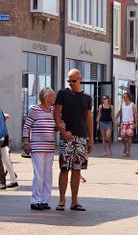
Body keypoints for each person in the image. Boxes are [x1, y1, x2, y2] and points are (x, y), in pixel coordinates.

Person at [55, 69, 93, 211]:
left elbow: (89, 119)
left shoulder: (87, 97)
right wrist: (63, 132)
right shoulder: (62, 94)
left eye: (73, 80)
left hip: (82, 138)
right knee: (64, 168)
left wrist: (90, 139)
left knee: (77, 170)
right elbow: (57, 114)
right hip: (67, 138)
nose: (71, 83)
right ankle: (61, 200)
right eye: (69, 80)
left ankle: (74, 201)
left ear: (80, 79)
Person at [23, 87, 57, 210]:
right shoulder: (35, 109)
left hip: (50, 147)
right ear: (46, 97)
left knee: (48, 175)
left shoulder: (53, 110)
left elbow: (56, 126)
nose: (54, 97)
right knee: (39, 174)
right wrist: (26, 142)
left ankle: (44, 201)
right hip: (37, 146)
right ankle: (35, 201)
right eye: (52, 95)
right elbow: (27, 126)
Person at [116, 92, 136, 156]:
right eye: (123, 97)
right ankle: (125, 146)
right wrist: (115, 118)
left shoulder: (132, 105)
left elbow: (135, 114)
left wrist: (136, 123)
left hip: (130, 122)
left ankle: (129, 151)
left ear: (128, 97)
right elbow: (120, 112)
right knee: (122, 137)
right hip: (124, 122)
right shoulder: (122, 104)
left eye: (124, 97)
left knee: (129, 137)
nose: (123, 98)